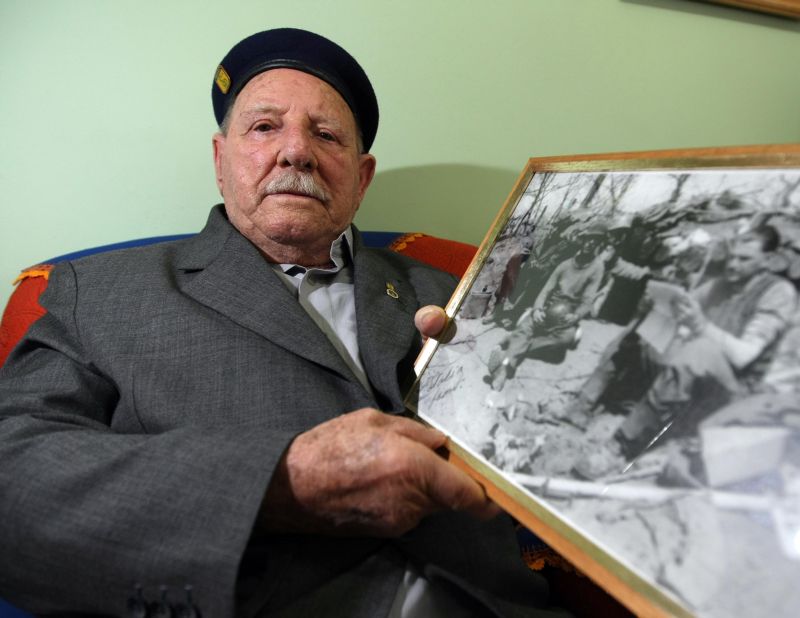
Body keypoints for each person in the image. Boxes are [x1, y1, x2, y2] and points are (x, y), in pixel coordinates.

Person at [0, 29, 567, 617]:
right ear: (220, 160)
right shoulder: (96, 292)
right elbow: (12, 476)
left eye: (326, 135)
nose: (297, 151)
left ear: (361, 178)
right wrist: (280, 482)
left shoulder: (453, 290)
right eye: (265, 127)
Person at [613, 225, 797, 459]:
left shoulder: (778, 292)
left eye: (744, 259)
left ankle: (623, 443)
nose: (732, 264)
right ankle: (601, 404)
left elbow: (744, 356)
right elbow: (684, 307)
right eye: (731, 257)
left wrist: (700, 325)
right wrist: (662, 306)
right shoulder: (722, 283)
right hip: (701, 376)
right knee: (650, 329)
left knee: (700, 350)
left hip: (737, 391)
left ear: (767, 260)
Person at [485, 224, 608, 391]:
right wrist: (537, 309)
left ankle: (512, 343)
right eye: (588, 239)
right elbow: (546, 291)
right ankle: (505, 370)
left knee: (564, 339)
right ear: (582, 241)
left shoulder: (597, 268)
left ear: (600, 244)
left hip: (567, 316)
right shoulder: (565, 265)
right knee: (527, 326)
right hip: (549, 309)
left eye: (595, 241)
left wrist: (576, 316)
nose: (590, 243)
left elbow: (587, 301)